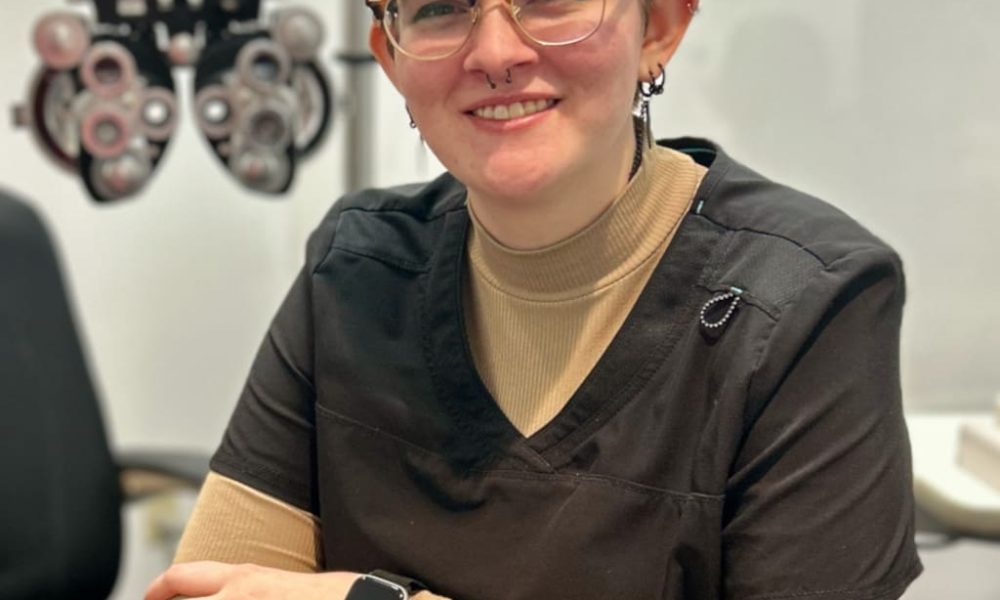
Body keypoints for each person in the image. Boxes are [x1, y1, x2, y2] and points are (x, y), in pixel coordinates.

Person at [146, 1, 923, 598]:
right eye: (441, 7)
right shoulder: (354, 272)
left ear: (660, 26)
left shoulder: (810, 306)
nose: (495, 52)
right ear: (390, 58)